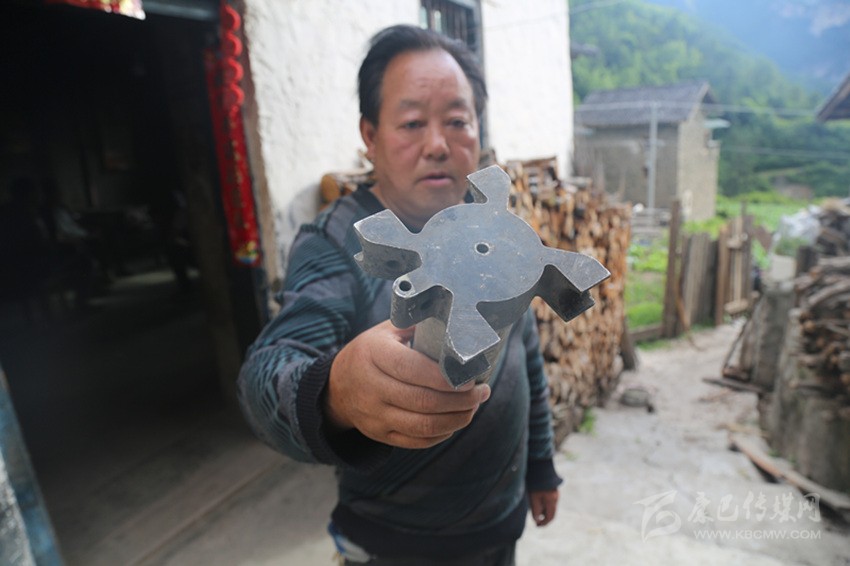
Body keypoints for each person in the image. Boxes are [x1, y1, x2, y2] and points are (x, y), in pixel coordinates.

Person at [238, 24, 561, 565]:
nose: (438, 145)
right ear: (370, 135)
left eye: (457, 121)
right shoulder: (338, 242)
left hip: (499, 532)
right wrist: (336, 390)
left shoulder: (496, 238)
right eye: (412, 123)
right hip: (393, 548)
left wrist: (541, 467)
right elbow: (265, 374)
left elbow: (525, 357)